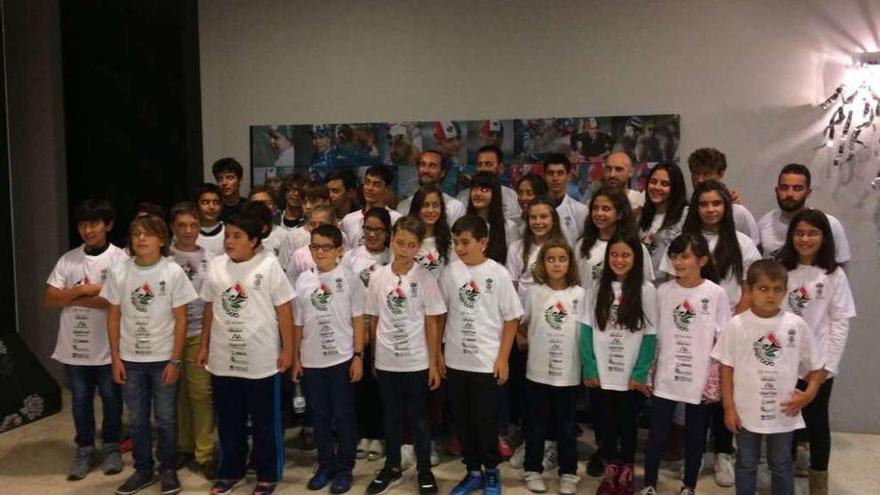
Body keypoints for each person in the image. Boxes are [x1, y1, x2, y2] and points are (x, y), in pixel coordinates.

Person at [659, 181, 761, 486]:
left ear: (726, 207)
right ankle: (695, 452)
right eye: (704, 204)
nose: (710, 209)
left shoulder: (742, 243)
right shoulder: (681, 243)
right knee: (693, 395)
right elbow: (670, 284)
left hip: (730, 330)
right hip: (690, 331)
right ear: (696, 208)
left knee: (723, 395)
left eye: (716, 203)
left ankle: (723, 453)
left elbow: (748, 290)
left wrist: (727, 329)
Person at [196, 211, 295, 495]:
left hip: (261, 360)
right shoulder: (216, 266)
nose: (229, 241)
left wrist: (287, 350)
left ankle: (267, 475)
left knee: (265, 423)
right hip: (223, 358)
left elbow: (284, 310)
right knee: (229, 421)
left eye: (237, 236)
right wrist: (204, 345)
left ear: (254, 240)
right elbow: (209, 307)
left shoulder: (269, 266)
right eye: (227, 235)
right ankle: (230, 471)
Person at [102, 215, 198, 495]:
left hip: (163, 358)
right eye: (136, 234)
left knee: (167, 418)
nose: (141, 239)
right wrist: (116, 358)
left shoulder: (173, 271)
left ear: (162, 240)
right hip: (131, 360)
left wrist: (176, 359)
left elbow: (181, 320)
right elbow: (113, 318)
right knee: (138, 419)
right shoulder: (120, 272)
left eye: (148, 234)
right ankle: (143, 469)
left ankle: (167, 468)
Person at [711, 260, 825, 495]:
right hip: (746, 410)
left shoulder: (796, 325)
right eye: (763, 288)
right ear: (750, 290)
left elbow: (818, 366)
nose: (770, 295)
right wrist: (728, 406)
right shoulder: (736, 325)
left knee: (781, 462)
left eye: (777, 289)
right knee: (746, 462)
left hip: (783, 410)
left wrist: (809, 393)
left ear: (785, 291)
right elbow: (726, 367)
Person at [640, 233, 730, 495]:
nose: (678, 262)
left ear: (702, 260)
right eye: (675, 256)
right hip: (666, 376)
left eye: (685, 256)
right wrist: (649, 372)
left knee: (695, 436)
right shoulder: (663, 291)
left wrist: (714, 380)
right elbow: (653, 334)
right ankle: (649, 484)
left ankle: (689, 485)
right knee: (657, 435)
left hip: (698, 378)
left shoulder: (715, 294)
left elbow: (723, 338)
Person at [44, 199, 128, 481]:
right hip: (74, 348)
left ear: (108, 225)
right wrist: (90, 291)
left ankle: (112, 447)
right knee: (80, 401)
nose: (88, 230)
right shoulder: (68, 259)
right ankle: (84, 449)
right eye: (82, 224)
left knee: (111, 399)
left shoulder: (120, 259)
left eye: (93, 224)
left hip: (108, 348)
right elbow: (50, 298)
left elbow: (117, 300)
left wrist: (79, 294)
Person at [440, 215, 524, 495]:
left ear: (483, 242)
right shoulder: (450, 272)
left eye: (465, 242)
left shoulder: (497, 273)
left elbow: (511, 319)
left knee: (485, 422)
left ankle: (491, 472)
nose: (460, 248)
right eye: (456, 242)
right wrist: (439, 354)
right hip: (456, 360)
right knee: (463, 421)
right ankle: (472, 471)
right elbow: (441, 315)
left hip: (486, 362)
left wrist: (502, 359)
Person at [777, 209, 856, 494]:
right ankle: (782, 477)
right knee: (785, 420)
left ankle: (818, 481)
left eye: (812, 233)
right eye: (799, 233)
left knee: (817, 420)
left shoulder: (833, 275)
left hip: (818, 363)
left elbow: (839, 323)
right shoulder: (780, 268)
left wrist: (825, 369)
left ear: (824, 238)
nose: (805, 239)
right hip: (784, 361)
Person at [366, 217, 446, 495]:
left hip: (417, 361)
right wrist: (375, 356)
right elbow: (374, 319)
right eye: (400, 243)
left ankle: (424, 469)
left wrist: (434, 362)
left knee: (420, 418)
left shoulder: (425, 277)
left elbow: (432, 321)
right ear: (391, 240)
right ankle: (392, 466)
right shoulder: (377, 276)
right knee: (391, 417)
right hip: (387, 360)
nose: (404, 249)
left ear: (419, 248)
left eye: (411, 245)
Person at [581, 233, 658, 495]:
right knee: (603, 422)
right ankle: (610, 468)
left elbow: (650, 334)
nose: (619, 259)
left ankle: (625, 469)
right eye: (614, 254)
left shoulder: (646, 290)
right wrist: (589, 366)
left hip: (629, 376)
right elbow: (585, 329)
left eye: (625, 255)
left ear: (636, 258)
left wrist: (640, 371)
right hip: (602, 372)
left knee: (627, 423)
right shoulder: (596, 288)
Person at [291, 224, 365, 494]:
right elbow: (298, 323)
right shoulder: (303, 280)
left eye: (326, 247)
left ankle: (345, 468)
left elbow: (358, 320)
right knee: (319, 417)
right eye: (315, 247)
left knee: (344, 416)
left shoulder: (350, 278)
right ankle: (325, 465)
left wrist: (358, 355)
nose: (320, 252)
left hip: (342, 358)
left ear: (339, 250)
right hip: (312, 361)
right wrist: (297, 357)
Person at [518, 239, 585, 495]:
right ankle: (532, 468)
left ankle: (568, 472)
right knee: (535, 423)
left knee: (567, 425)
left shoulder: (579, 294)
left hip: (568, 372)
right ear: (542, 264)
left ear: (570, 263)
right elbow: (523, 323)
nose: (556, 264)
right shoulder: (534, 292)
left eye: (562, 259)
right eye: (551, 259)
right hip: (538, 371)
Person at [168, 202, 216, 480]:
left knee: (201, 393)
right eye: (182, 225)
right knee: (178, 395)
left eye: (193, 225)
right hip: (170, 334)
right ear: (173, 228)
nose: (188, 231)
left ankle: (205, 452)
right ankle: (184, 446)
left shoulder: (211, 257)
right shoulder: (165, 258)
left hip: (200, 332)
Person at [344, 207, 392, 462]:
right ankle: (364, 432)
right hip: (357, 328)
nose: (372, 235)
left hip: (385, 328)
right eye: (368, 229)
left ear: (387, 232)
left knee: (381, 384)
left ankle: (381, 435)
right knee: (360, 385)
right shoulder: (351, 257)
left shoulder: (393, 256)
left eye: (378, 230)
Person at [758, 163, 851, 265]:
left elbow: (841, 267)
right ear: (777, 191)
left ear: (808, 192)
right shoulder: (764, 222)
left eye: (797, 188)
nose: (789, 194)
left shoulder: (829, 224)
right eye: (784, 187)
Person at [576, 186, 653, 293]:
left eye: (606, 209)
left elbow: (645, 287)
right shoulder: (582, 244)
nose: (599, 213)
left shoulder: (636, 247)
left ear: (620, 214)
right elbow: (576, 283)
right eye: (595, 208)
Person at [686, 148, 759, 241]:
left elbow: (755, 249)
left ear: (721, 175)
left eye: (706, 174)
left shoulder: (738, 212)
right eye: (696, 173)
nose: (700, 180)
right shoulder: (685, 210)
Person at [507, 197, 566, 306]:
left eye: (543, 217)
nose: (538, 222)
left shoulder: (563, 249)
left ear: (553, 219)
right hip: (524, 314)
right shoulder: (515, 248)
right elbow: (512, 286)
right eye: (533, 217)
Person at [639, 162, 689, 278]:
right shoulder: (640, 216)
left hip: (672, 287)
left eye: (664, 184)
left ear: (676, 187)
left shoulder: (686, 215)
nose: (656, 187)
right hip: (643, 287)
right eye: (653, 182)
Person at [456, 145, 522, 225]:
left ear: (500, 168)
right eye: (479, 164)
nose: (483, 169)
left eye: (488, 164)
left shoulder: (512, 195)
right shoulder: (462, 197)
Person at [397, 150, 466, 225]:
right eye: (423, 165)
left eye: (432, 166)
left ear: (442, 172)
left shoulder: (456, 207)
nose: (426, 170)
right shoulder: (403, 206)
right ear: (417, 169)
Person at [341, 165, 402, 250]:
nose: (369, 188)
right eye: (367, 182)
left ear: (387, 189)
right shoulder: (349, 220)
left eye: (376, 184)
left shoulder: (396, 219)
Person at [465, 171, 520, 265]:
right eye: (475, 189)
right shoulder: (463, 224)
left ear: (495, 194)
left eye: (484, 190)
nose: (477, 193)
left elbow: (513, 265)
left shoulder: (509, 227)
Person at [543, 153, 589, 247]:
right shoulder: (535, 209)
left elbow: (583, 246)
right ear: (544, 176)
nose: (555, 178)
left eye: (560, 173)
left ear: (568, 176)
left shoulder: (581, 210)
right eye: (551, 173)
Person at [407, 184, 454, 276]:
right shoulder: (405, 237)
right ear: (417, 208)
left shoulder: (449, 240)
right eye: (425, 205)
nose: (431, 210)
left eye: (435, 205)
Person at [196, 183, 226, 257]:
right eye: (205, 202)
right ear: (197, 205)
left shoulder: (228, 233)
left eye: (216, 202)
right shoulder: (187, 233)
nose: (211, 207)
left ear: (221, 205)